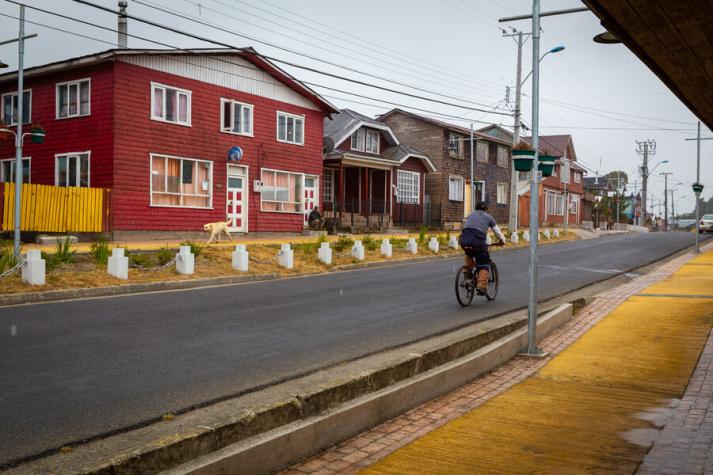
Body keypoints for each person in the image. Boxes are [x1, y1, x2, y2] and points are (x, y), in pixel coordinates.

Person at [460, 201, 506, 293]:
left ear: (476, 208)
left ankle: (467, 277)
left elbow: (466, 228)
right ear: (486, 209)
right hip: (478, 241)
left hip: (464, 239)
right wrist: (502, 240)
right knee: (483, 263)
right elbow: (497, 231)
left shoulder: (470, 215)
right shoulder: (489, 217)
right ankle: (481, 286)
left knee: (469, 254)